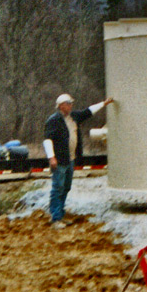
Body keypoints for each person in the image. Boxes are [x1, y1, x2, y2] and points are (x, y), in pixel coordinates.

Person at [43, 93, 113, 225]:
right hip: (59, 160)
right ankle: (56, 217)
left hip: (70, 159)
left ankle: (60, 214)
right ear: (61, 106)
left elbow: (88, 111)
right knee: (57, 187)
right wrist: (51, 157)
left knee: (66, 187)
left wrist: (103, 104)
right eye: (68, 103)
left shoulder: (74, 117)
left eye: (71, 103)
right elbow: (47, 140)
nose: (71, 105)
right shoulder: (53, 120)